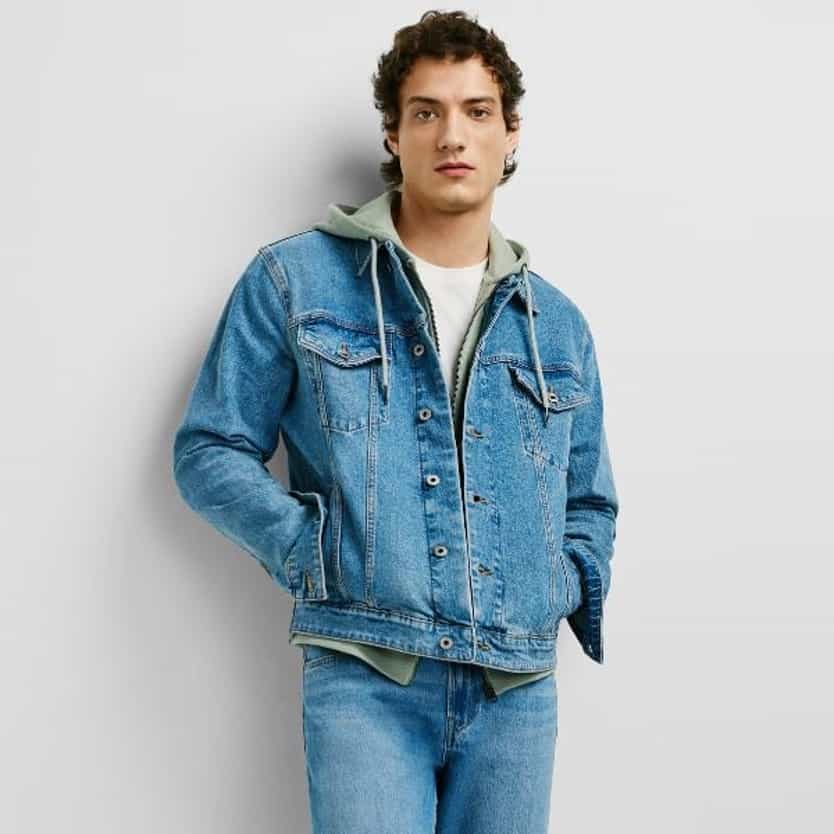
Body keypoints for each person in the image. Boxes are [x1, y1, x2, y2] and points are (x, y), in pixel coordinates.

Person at [172, 9, 619, 833]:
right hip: (366, 676)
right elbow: (211, 447)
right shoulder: (295, 280)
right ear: (393, 132)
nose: (453, 134)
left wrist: (557, 585)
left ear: (511, 134)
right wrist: (311, 551)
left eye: (477, 111)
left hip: (516, 688)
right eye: (426, 112)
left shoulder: (556, 324)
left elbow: (589, 502)